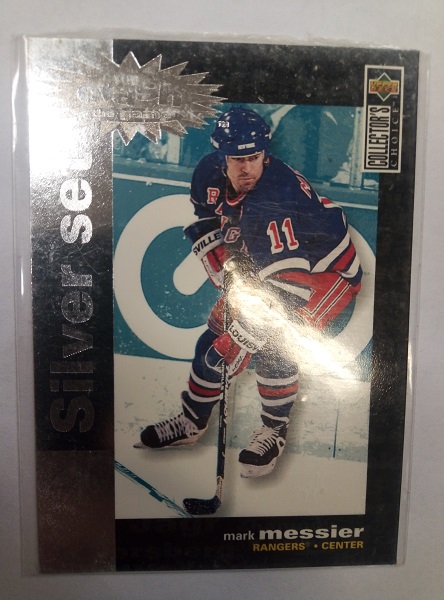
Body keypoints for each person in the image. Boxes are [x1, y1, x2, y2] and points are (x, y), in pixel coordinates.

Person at [138, 106, 362, 478]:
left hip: (326, 272)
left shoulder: (274, 198)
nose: (246, 169)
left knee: (276, 344)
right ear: (221, 157)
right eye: (237, 159)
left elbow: (290, 291)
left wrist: (243, 338)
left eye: (253, 158)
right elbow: (208, 218)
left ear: (265, 154)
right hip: (269, 263)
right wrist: (224, 259)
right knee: (212, 338)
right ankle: (191, 421)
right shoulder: (208, 173)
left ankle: (273, 431)